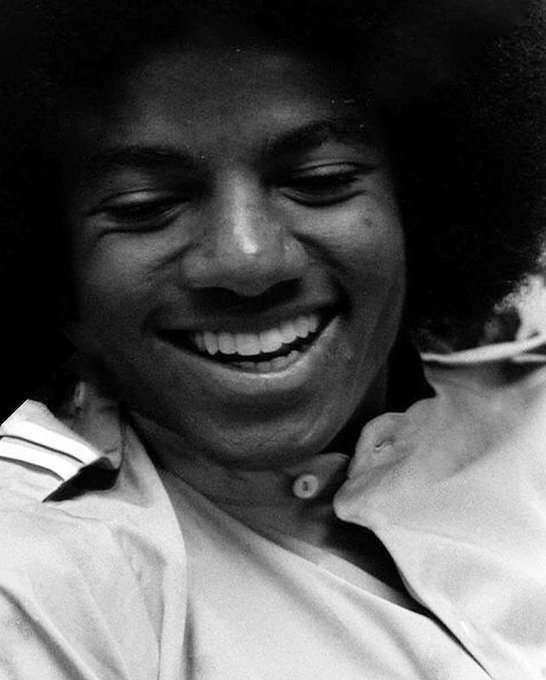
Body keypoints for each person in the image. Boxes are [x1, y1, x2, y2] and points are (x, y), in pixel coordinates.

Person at [1, 0, 546, 677]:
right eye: (145, 206)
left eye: (320, 182)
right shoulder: (37, 584)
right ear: (48, 255)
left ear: (420, 198)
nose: (248, 260)